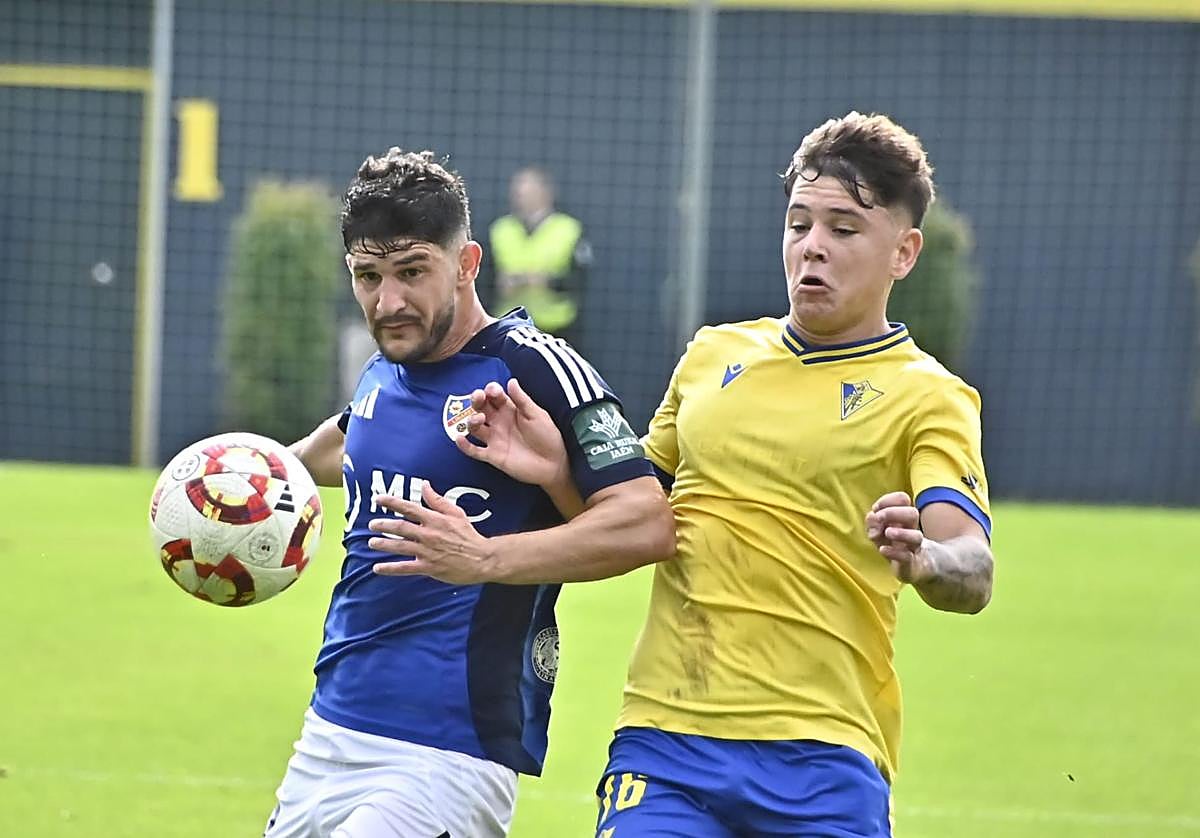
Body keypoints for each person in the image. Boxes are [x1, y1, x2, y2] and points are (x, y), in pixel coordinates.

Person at [434, 112, 995, 837]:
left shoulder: (930, 395)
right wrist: (553, 472)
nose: (812, 248)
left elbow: (973, 569)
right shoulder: (711, 355)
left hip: (826, 754)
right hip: (667, 740)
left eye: (844, 230)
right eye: (799, 225)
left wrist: (925, 558)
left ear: (904, 251)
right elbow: (638, 521)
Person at [265, 148, 674, 838]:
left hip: (446, 750)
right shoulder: (383, 371)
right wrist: (238, 477)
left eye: (412, 271)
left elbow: (645, 522)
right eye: (368, 277)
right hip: (329, 733)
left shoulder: (532, 367)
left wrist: (486, 557)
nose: (387, 301)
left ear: (467, 263)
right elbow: (343, 443)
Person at [487, 166, 592, 346]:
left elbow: (580, 280)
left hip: (556, 328)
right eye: (517, 192)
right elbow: (483, 275)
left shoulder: (568, 229)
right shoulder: (500, 228)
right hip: (509, 327)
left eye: (527, 191)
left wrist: (548, 282)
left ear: (545, 193)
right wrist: (499, 283)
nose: (520, 197)